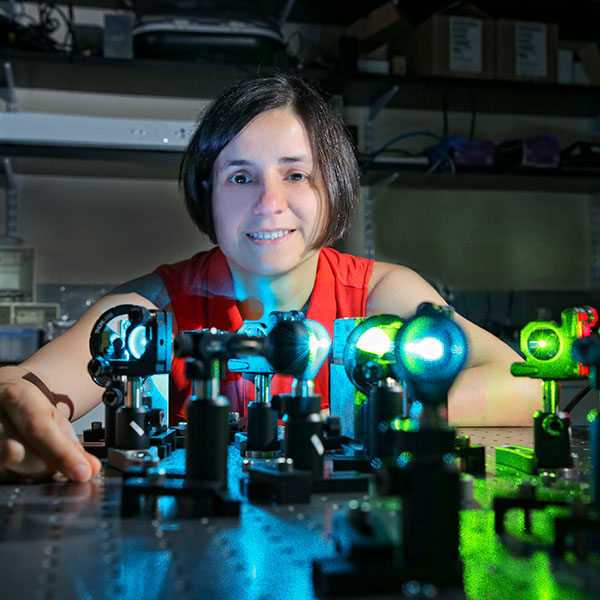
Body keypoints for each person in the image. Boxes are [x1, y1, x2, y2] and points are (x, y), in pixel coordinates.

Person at [0, 74, 540, 483]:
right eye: (240, 177)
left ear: (333, 189)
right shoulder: (152, 305)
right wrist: (16, 407)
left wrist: (357, 415)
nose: (269, 203)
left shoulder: (380, 294)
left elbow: (527, 386)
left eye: (296, 174)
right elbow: (28, 387)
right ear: (206, 192)